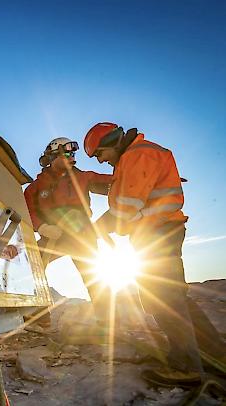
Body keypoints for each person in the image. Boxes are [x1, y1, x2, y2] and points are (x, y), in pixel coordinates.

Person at [84, 122, 225, 387]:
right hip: (159, 232)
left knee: (164, 300)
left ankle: (187, 368)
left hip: (159, 233)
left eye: (100, 155)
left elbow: (125, 210)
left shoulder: (138, 156)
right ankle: (212, 354)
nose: (102, 162)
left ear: (111, 143)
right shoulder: (137, 155)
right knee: (172, 298)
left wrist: (99, 227)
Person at [24, 137, 113, 326]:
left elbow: (115, 183)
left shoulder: (83, 177)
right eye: (66, 154)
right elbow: (28, 210)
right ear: (52, 156)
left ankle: (106, 321)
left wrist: (146, 177)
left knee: (93, 276)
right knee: (33, 266)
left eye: (73, 154)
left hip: (82, 235)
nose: (71, 157)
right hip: (53, 236)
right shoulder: (35, 187)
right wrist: (42, 227)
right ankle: (41, 317)